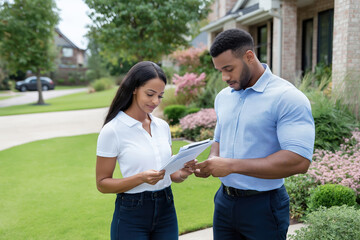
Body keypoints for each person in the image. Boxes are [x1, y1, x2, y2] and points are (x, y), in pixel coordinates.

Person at [194, 29, 315, 240]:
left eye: (229, 68)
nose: (224, 77)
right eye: (219, 70)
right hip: (224, 202)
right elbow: (219, 140)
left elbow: (299, 161)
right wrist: (212, 163)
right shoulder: (223, 97)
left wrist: (230, 165)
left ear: (249, 56)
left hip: (264, 207)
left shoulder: (287, 97)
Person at [96, 61, 194, 240]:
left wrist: (183, 172)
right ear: (134, 88)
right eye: (150, 94)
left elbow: (170, 175)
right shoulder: (112, 130)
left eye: (160, 96)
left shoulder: (162, 127)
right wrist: (140, 178)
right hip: (132, 213)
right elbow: (102, 184)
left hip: (166, 209)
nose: (155, 101)